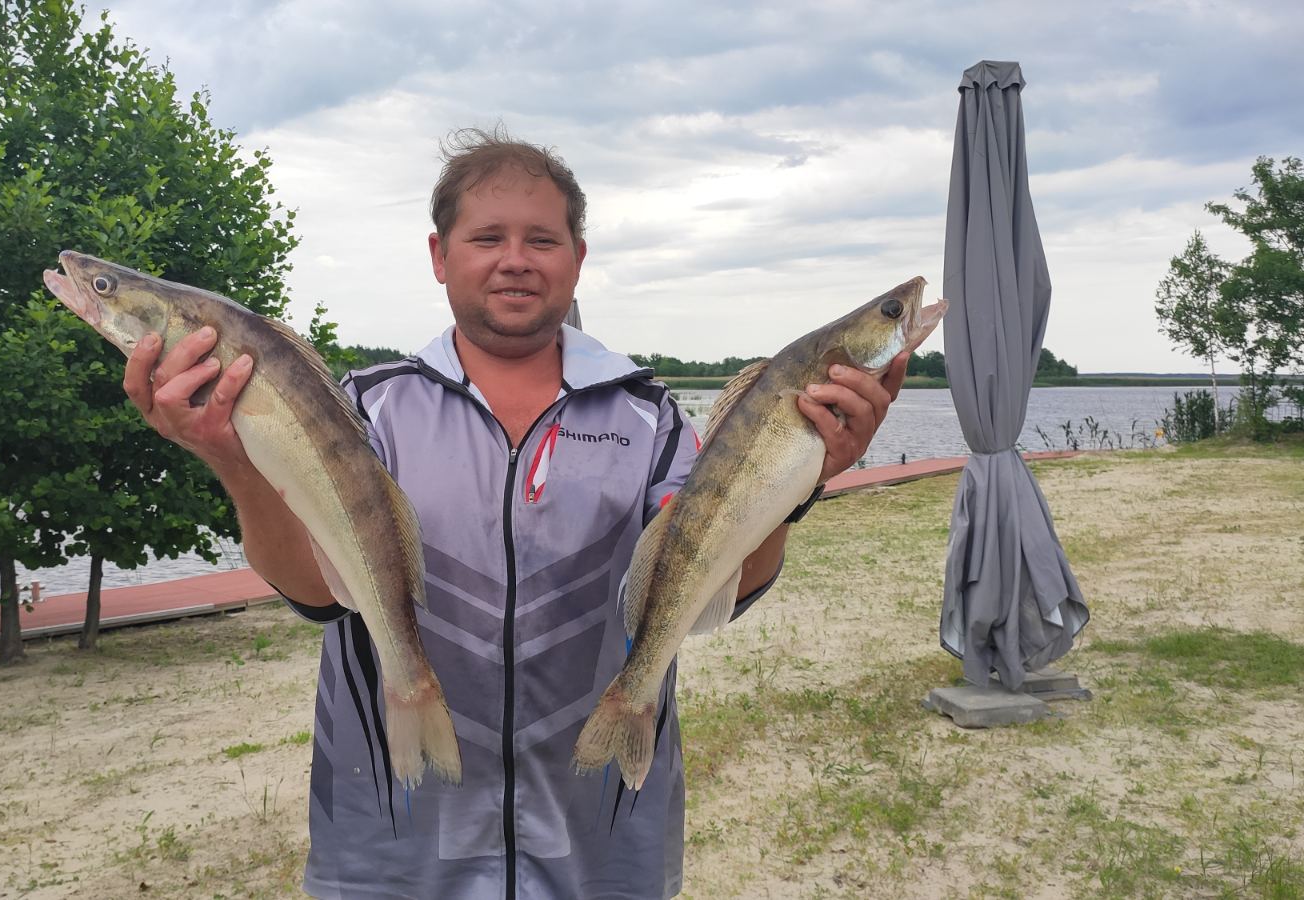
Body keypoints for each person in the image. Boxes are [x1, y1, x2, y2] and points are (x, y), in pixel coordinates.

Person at [122, 128, 909, 899]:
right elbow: (316, 594)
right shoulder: (362, 411)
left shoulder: (648, 416)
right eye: (487, 237)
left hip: (600, 850)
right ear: (440, 256)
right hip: (392, 852)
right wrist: (232, 458)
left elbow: (726, 586)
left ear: (578, 258)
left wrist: (799, 480)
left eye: (542, 239)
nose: (515, 259)